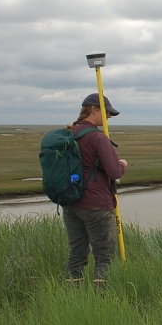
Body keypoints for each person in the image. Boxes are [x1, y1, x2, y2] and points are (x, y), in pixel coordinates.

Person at [62, 93, 128, 288]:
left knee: (77, 253)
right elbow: (114, 172)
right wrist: (123, 164)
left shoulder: (68, 134)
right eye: (106, 112)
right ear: (94, 109)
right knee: (105, 256)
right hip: (97, 205)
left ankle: (71, 297)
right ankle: (101, 301)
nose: (108, 117)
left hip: (71, 203)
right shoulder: (98, 138)